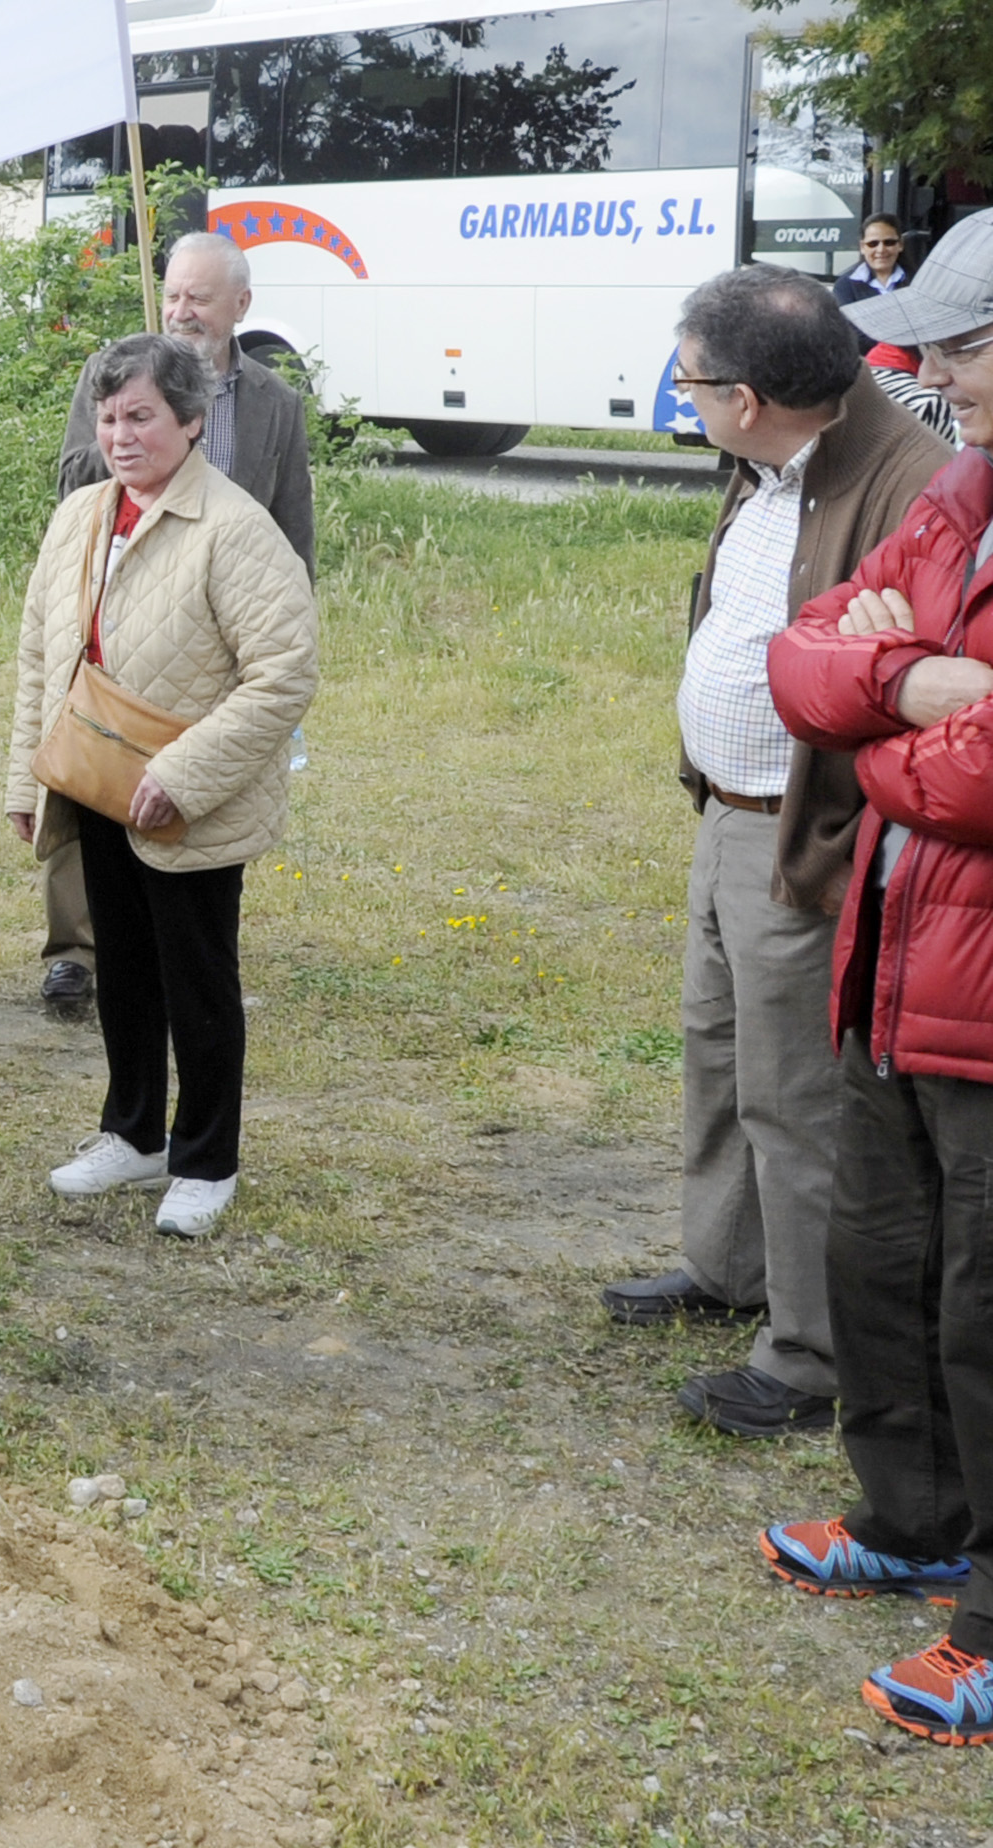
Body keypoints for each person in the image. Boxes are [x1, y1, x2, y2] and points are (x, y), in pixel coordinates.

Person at [597, 267, 947, 1439]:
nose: (682, 399)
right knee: (719, 1057)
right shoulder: (770, 456)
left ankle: (809, 1354)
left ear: (748, 396)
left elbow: (907, 684)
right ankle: (729, 1268)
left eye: (690, 382)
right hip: (729, 812)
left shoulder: (910, 487)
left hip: (806, 834)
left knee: (798, 1100)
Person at [764, 209, 993, 1748]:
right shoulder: (966, 493)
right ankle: (914, 1520)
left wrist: (880, 734)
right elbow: (803, 654)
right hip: (899, 961)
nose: (927, 369)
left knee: (992, 1303)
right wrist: (909, 682)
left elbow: (981, 788)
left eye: (963, 347)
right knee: (885, 1265)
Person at [16, 334, 318, 1240]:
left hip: (191, 797)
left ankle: (206, 1160)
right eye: (108, 418)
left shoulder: (233, 527)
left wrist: (182, 776)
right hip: (95, 781)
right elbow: (41, 653)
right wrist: (29, 774)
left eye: (141, 415)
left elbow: (285, 671)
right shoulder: (79, 516)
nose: (120, 434)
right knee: (125, 971)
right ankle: (133, 1132)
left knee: (197, 980)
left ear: (190, 421)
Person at [43, 232, 318, 1022]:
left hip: (225, 632)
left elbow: (292, 529)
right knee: (92, 780)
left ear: (240, 305)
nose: (182, 310)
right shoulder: (120, 378)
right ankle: (75, 954)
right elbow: (70, 478)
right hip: (127, 622)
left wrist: (287, 614)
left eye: (199, 297)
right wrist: (136, 434)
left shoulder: (276, 403)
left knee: (200, 806)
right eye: (173, 295)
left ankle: (185, 957)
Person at [833, 214, 914, 355]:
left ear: (900, 245)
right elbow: (849, 334)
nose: (881, 250)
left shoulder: (917, 282)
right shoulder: (845, 286)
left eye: (889, 242)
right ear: (862, 247)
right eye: (873, 244)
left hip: (912, 368)